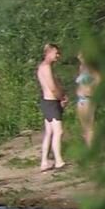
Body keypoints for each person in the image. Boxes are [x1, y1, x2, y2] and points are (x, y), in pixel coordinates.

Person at [36, 43, 67, 171]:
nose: (58, 56)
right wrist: (61, 98)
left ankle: (44, 162)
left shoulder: (42, 67)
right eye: (56, 53)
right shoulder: (46, 67)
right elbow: (52, 87)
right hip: (51, 102)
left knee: (49, 132)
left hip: (46, 102)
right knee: (58, 131)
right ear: (49, 52)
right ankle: (58, 161)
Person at [75, 52, 100, 147]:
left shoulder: (92, 67)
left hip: (88, 99)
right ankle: (87, 149)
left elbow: (99, 79)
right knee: (84, 127)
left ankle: (92, 150)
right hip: (80, 99)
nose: (79, 56)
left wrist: (91, 89)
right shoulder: (81, 67)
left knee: (90, 127)